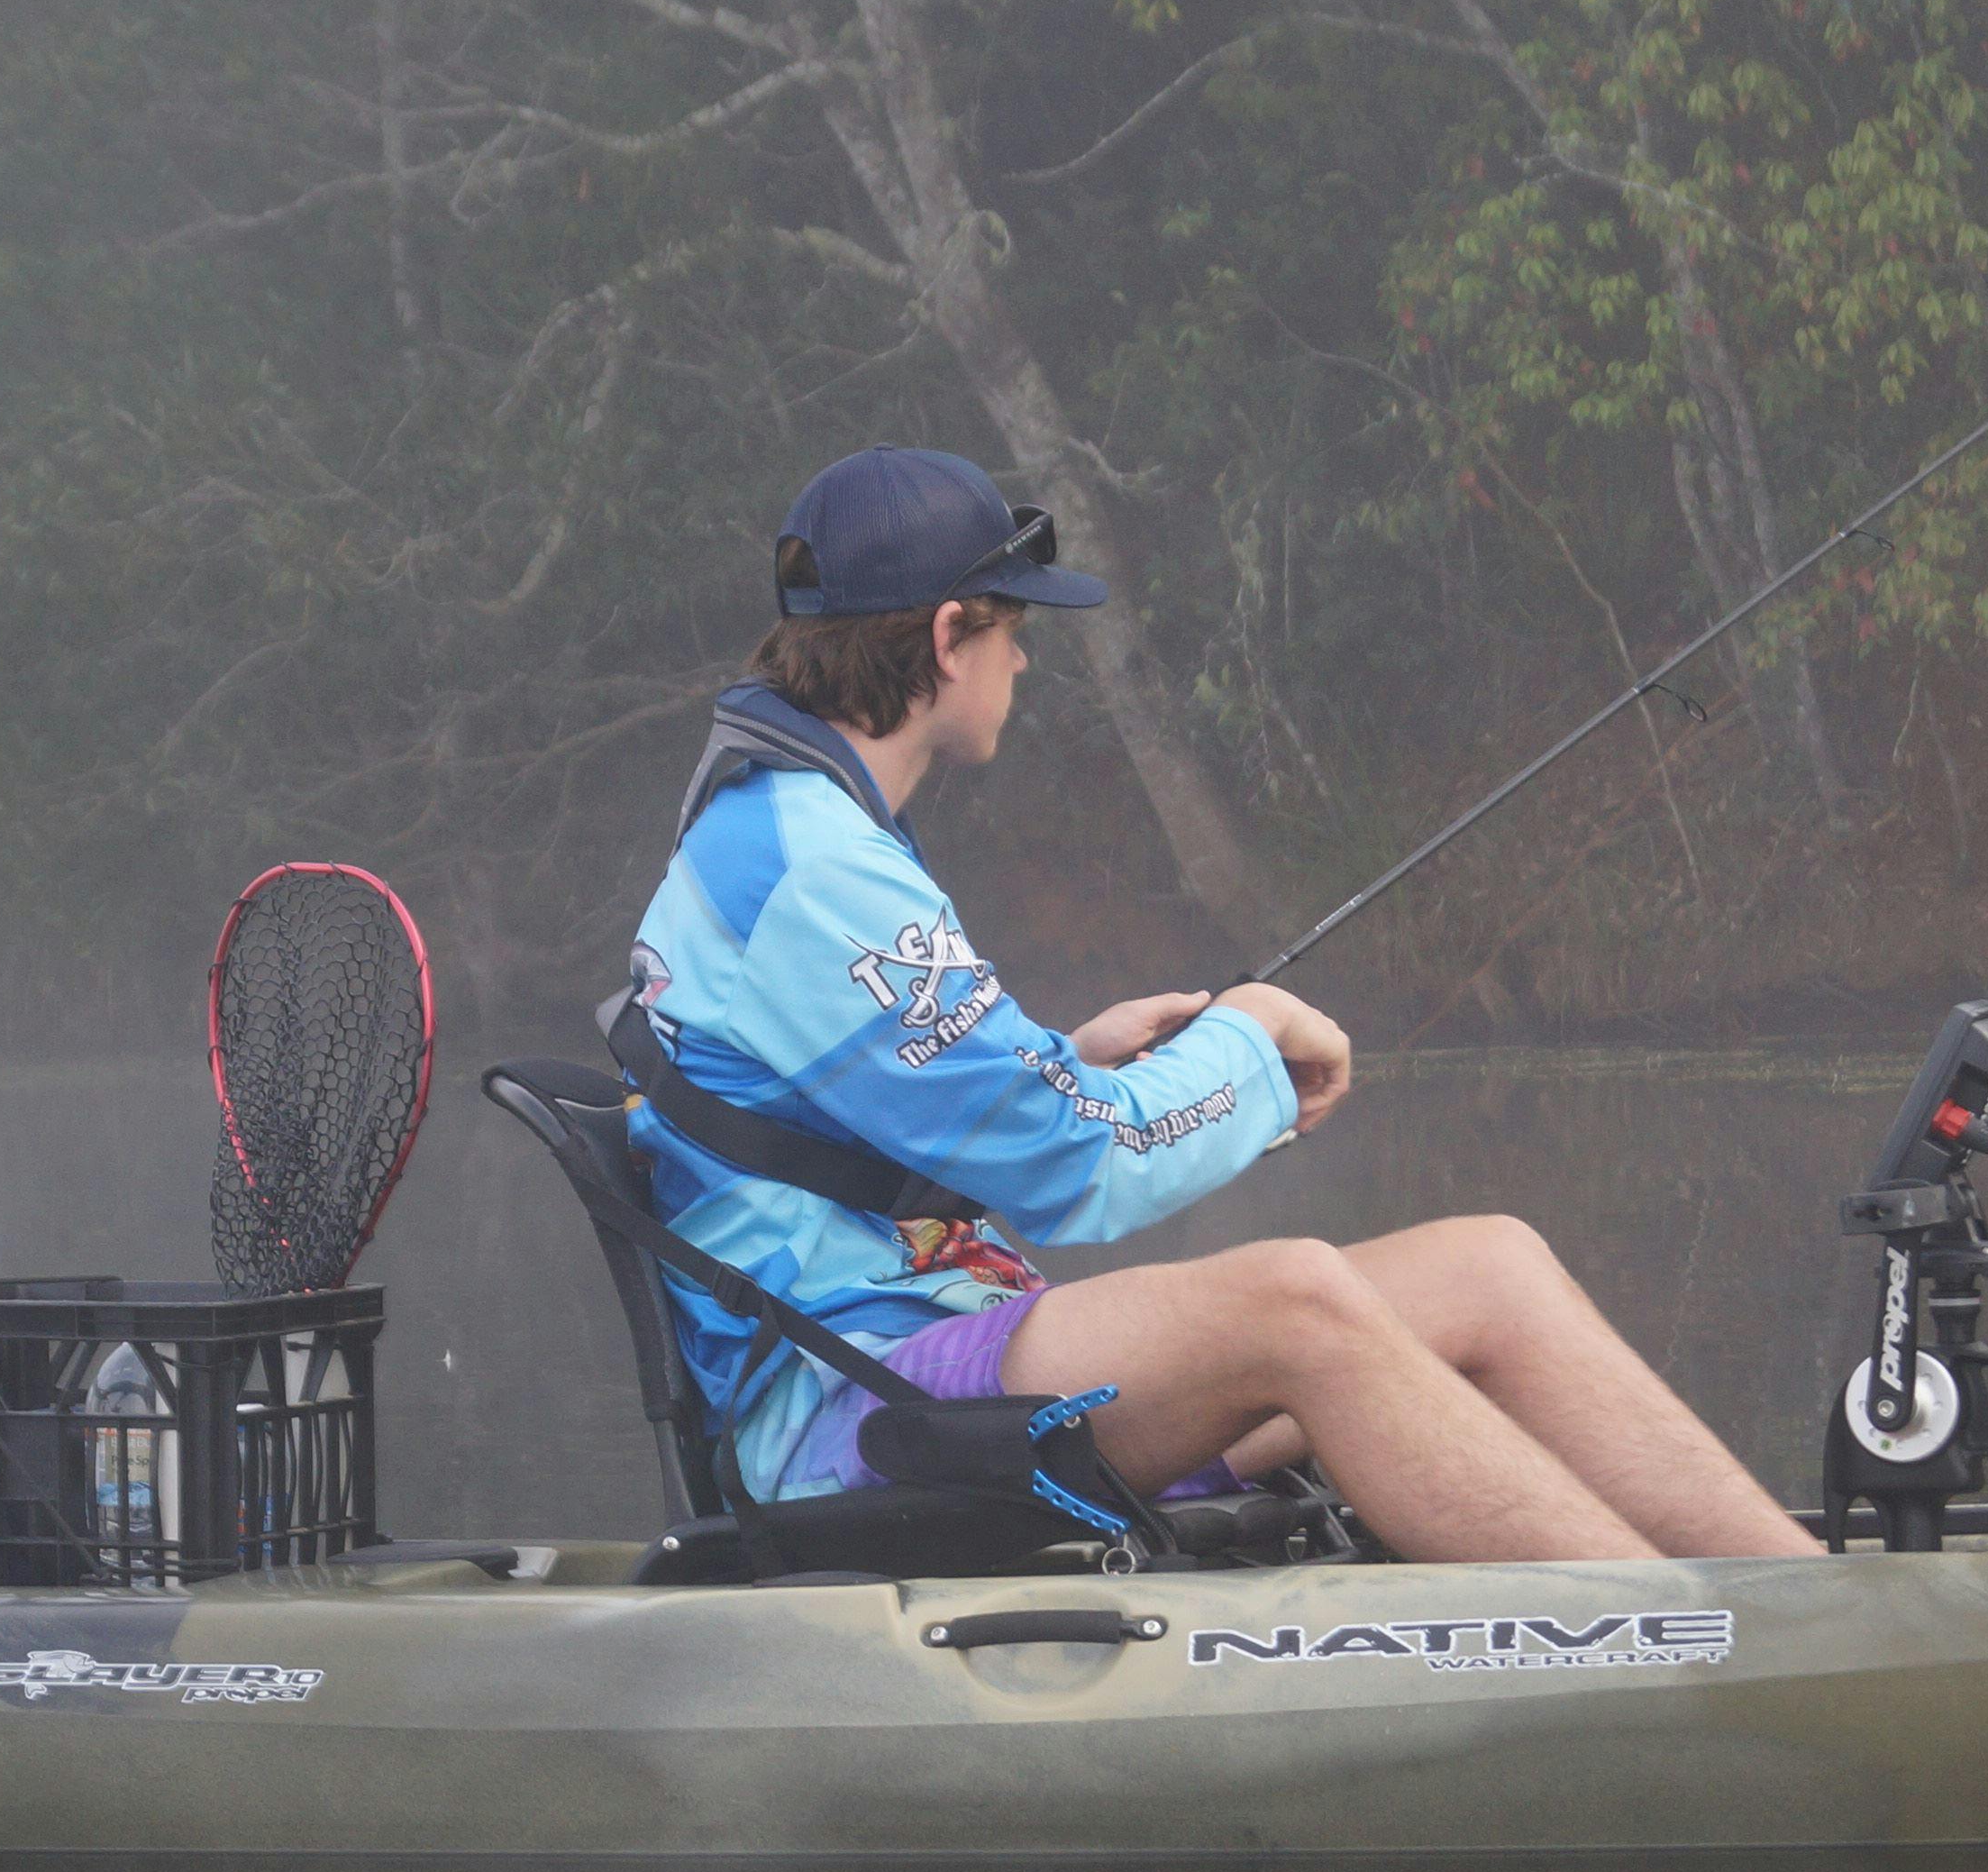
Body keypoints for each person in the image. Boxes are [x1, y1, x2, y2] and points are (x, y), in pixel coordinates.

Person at [624, 444, 1821, 1564]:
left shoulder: (786, 831)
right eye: (1014, 631)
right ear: (948, 635)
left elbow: (843, 1119)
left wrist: (1073, 1055)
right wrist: (1249, 1037)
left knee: (1492, 1268)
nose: (1024, 662)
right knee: (1292, 1301)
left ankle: (1803, 1596)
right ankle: (1674, 1641)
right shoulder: (818, 869)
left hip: (913, 1345)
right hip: (854, 1408)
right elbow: (1080, 1169)